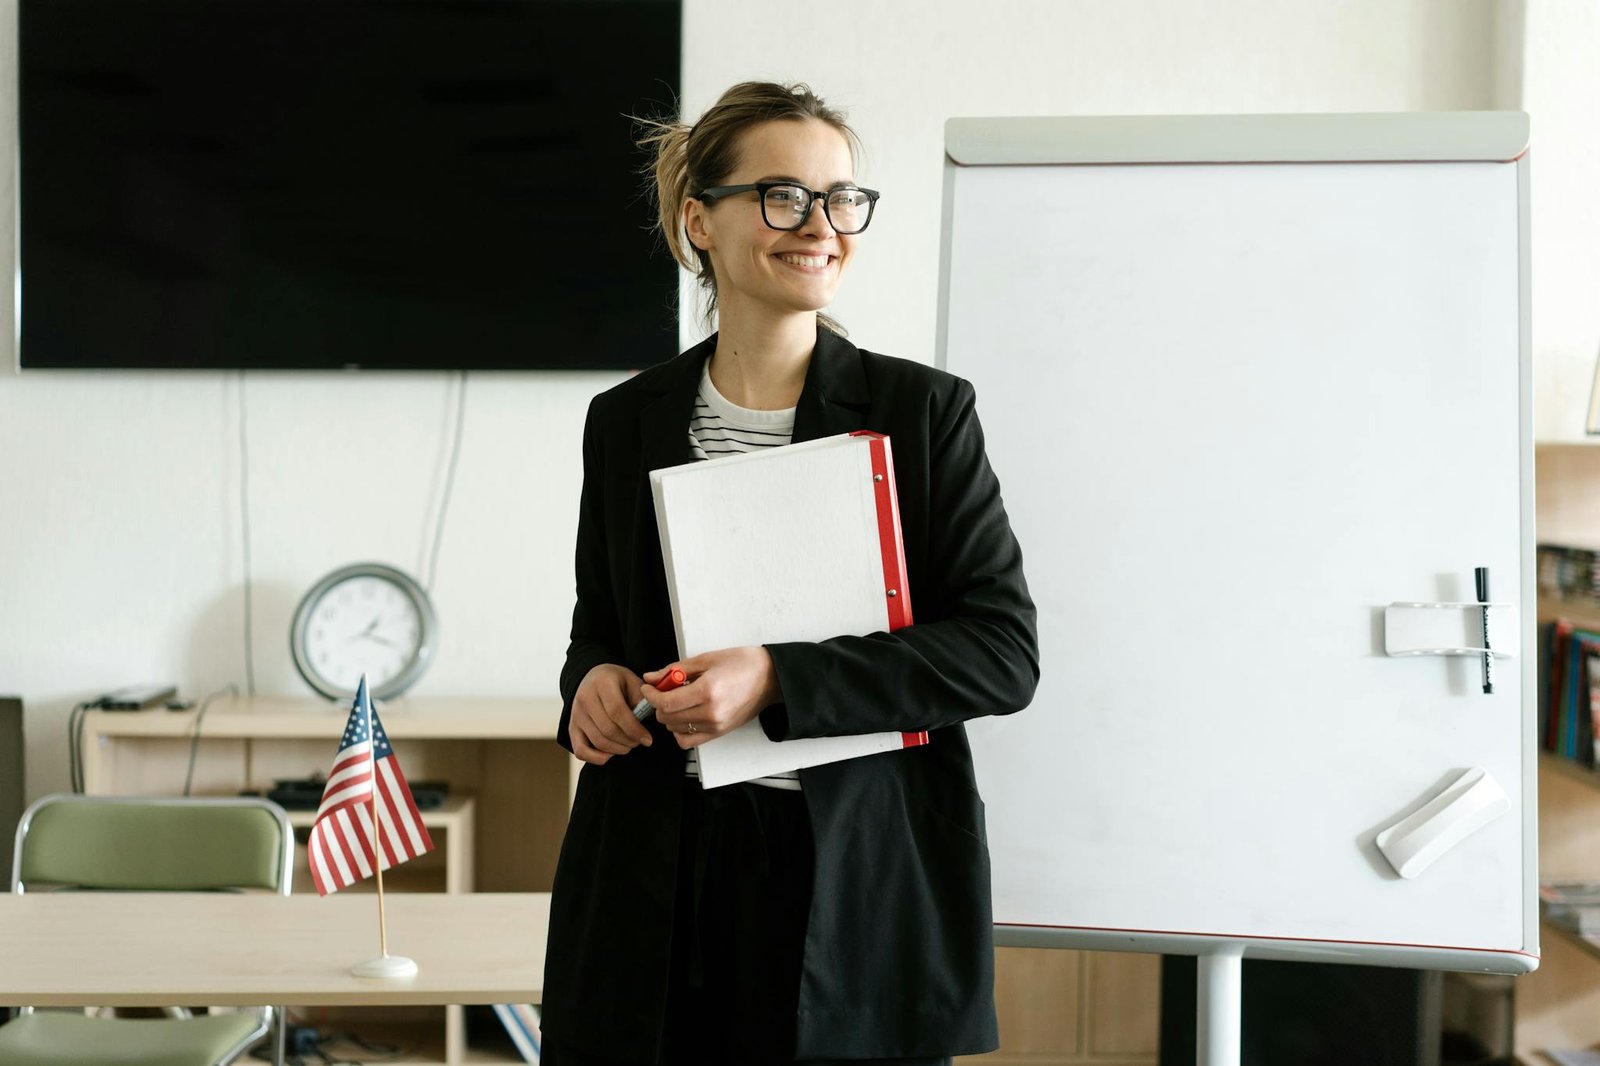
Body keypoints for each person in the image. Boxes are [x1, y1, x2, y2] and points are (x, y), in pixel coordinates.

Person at [540, 81, 1038, 1066]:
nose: (819, 225)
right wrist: (589, 683)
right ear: (700, 221)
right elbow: (600, 624)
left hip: (846, 878)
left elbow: (1000, 654)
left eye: (840, 198)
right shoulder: (625, 419)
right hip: (656, 877)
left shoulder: (922, 413)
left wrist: (774, 678)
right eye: (781, 195)